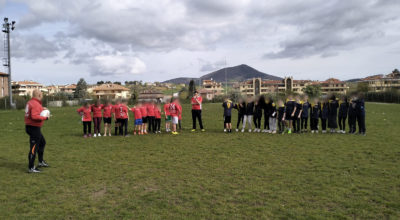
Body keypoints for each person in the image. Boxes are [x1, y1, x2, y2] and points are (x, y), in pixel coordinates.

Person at [25, 89, 50, 173]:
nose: (42, 96)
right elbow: (34, 116)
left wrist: (42, 108)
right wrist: (45, 118)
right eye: (41, 94)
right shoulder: (35, 104)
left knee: (42, 142)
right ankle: (31, 167)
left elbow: (34, 110)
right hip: (33, 128)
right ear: (39, 95)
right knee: (33, 148)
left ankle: (40, 161)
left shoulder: (31, 102)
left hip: (31, 127)